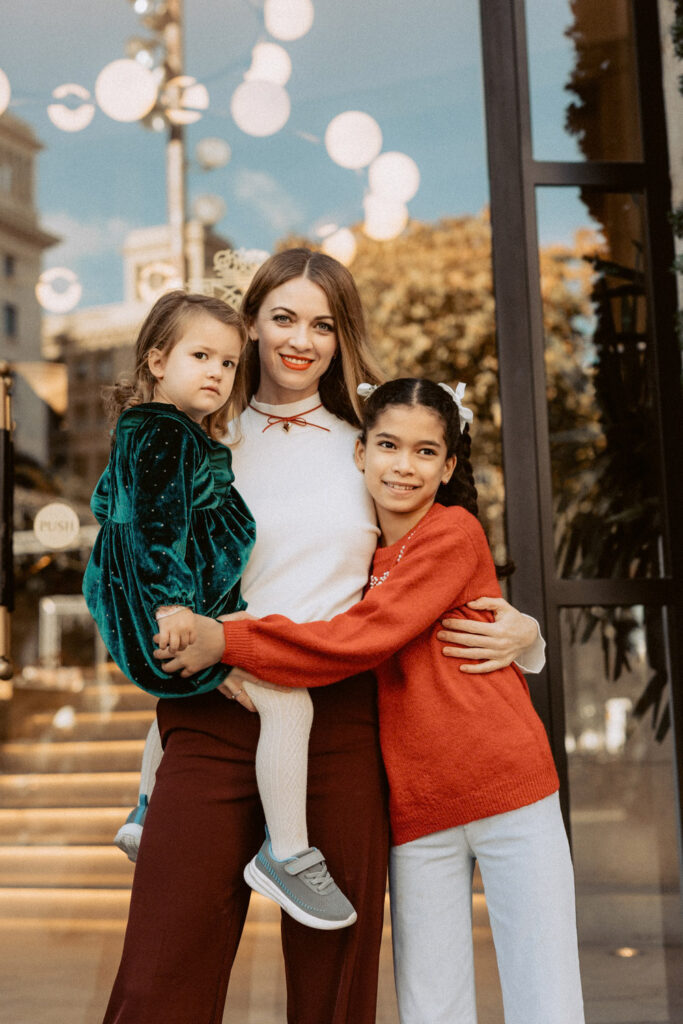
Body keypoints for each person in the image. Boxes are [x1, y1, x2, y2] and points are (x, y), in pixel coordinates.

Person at [103, 249, 545, 1024]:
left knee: (333, 986)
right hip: (211, 715)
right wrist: (191, 661)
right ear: (250, 324)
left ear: (343, 338)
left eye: (322, 324)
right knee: (160, 973)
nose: (300, 340)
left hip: (338, 727)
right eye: (282, 318)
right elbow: (137, 553)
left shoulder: (368, 447)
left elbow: (426, 570)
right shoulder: (196, 438)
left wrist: (524, 629)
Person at [161, 377, 585, 1024]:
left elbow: (359, 638)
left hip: (509, 790)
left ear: (447, 467)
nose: (402, 466)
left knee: (544, 995)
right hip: (416, 808)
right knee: (429, 1004)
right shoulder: (357, 557)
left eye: (424, 452)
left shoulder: (453, 533)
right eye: (388, 445)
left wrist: (227, 639)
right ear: (359, 453)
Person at [83, 288, 355, 931]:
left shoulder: (158, 431)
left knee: (173, 706)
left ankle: (147, 809)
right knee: (290, 703)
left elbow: (107, 505)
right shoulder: (165, 436)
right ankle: (286, 853)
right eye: (201, 355)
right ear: (156, 359)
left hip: (190, 602)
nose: (217, 372)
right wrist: (175, 606)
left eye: (229, 363)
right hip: (179, 608)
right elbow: (152, 529)